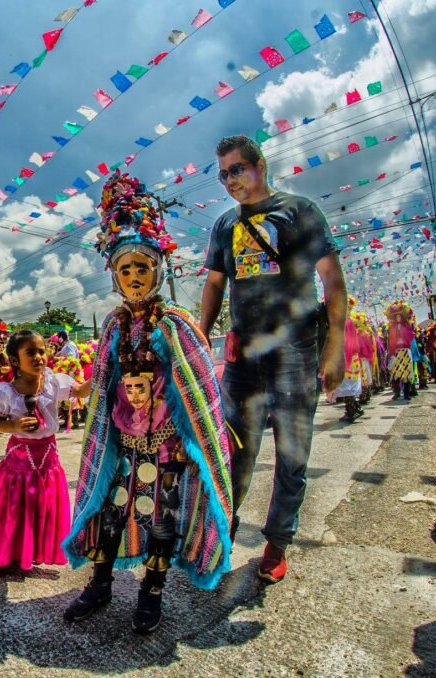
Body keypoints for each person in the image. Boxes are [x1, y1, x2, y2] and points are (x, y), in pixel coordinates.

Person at [63, 172, 233, 634]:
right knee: (110, 514)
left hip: (166, 446)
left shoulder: (176, 323)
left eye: (142, 267)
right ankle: (99, 586)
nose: (134, 276)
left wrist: (184, 441)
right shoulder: (113, 326)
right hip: (123, 442)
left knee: (162, 521)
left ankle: (151, 592)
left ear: (158, 270)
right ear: (115, 277)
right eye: (125, 269)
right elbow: (100, 388)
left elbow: (199, 392)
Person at [198, 135, 345, 584]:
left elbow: (333, 283)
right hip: (243, 358)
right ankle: (223, 533)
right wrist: (200, 335)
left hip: (297, 354)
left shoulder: (300, 212)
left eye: (236, 169)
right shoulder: (224, 225)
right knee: (233, 453)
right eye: (223, 174)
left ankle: (277, 543)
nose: (230, 180)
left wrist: (334, 346)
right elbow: (215, 285)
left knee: (292, 453)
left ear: (260, 165)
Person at [0, 330, 91, 571]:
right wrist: (15, 425)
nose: (40, 357)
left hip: (48, 458)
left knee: (44, 507)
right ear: (15, 361)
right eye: (31, 353)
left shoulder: (53, 382)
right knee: (18, 509)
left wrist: (104, 370)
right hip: (19, 459)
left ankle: (36, 551)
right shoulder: (5, 391)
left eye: (42, 351)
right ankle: (9, 554)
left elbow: (80, 391)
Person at [332, 298, 365, 423]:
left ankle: (352, 411)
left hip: (347, 357)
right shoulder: (345, 322)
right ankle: (355, 408)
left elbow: (348, 343)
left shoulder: (346, 323)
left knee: (346, 385)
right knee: (346, 386)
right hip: (348, 357)